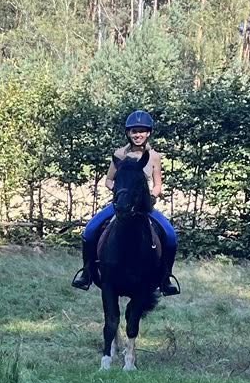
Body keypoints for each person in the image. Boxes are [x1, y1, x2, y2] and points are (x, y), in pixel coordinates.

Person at [73, 109, 180, 295]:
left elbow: (157, 185)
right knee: (89, 231)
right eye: (134, 131)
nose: (138, 135)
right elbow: (108, 180)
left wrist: (152, 196)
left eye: (142, 131)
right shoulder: (119, 154)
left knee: (170, 236)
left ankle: (166, 278)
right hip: (121, 204)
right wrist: (120, 192)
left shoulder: (154, 156)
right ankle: (87, 273)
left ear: (148, 133)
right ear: (128, 133)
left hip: (143, 206)